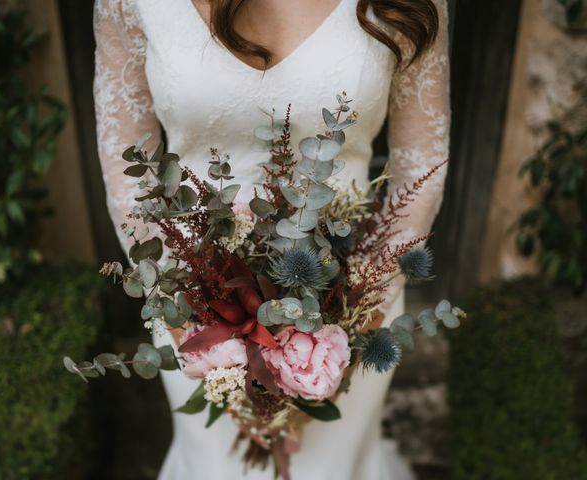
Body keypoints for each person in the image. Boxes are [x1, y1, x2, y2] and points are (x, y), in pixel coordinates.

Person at [93, 0, 450, 478]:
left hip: (357, 304)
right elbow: (126, 158)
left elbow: (421, 165)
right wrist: (192, 324)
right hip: (191, 306)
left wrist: (348, 330)